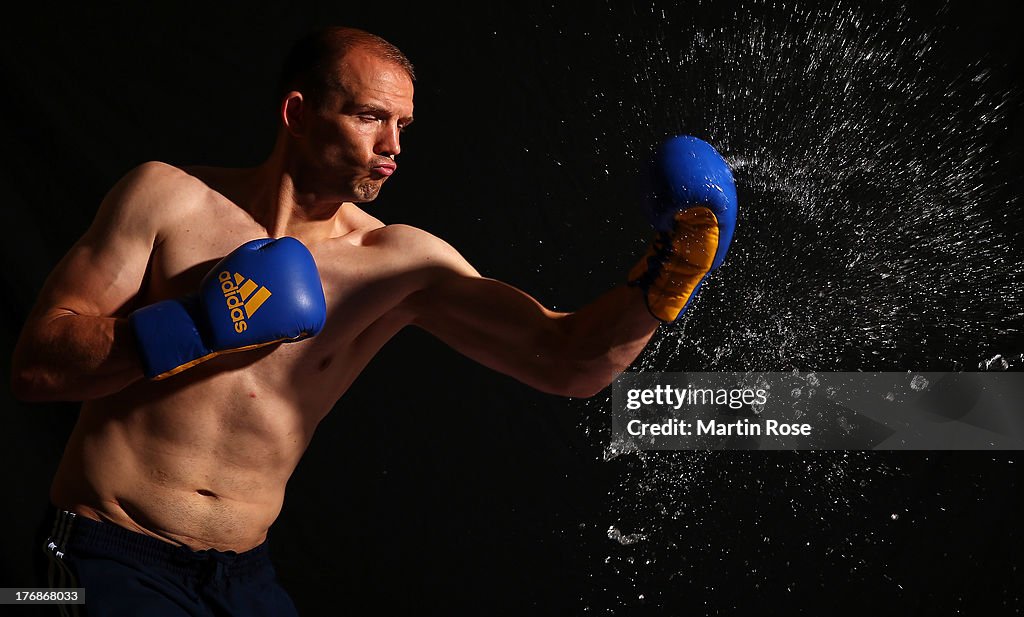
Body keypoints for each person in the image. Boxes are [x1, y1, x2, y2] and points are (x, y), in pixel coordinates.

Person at [10, 25, 737, 616]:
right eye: (370, 118)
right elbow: (36, 365)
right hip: (102, 558)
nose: (394, 147)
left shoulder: (397, 264)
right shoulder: (165, 199)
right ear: (298, 113)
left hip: (241, 580)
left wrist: (667, 279)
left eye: (404, 124)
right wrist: (198, 322)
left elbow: (567, 358)